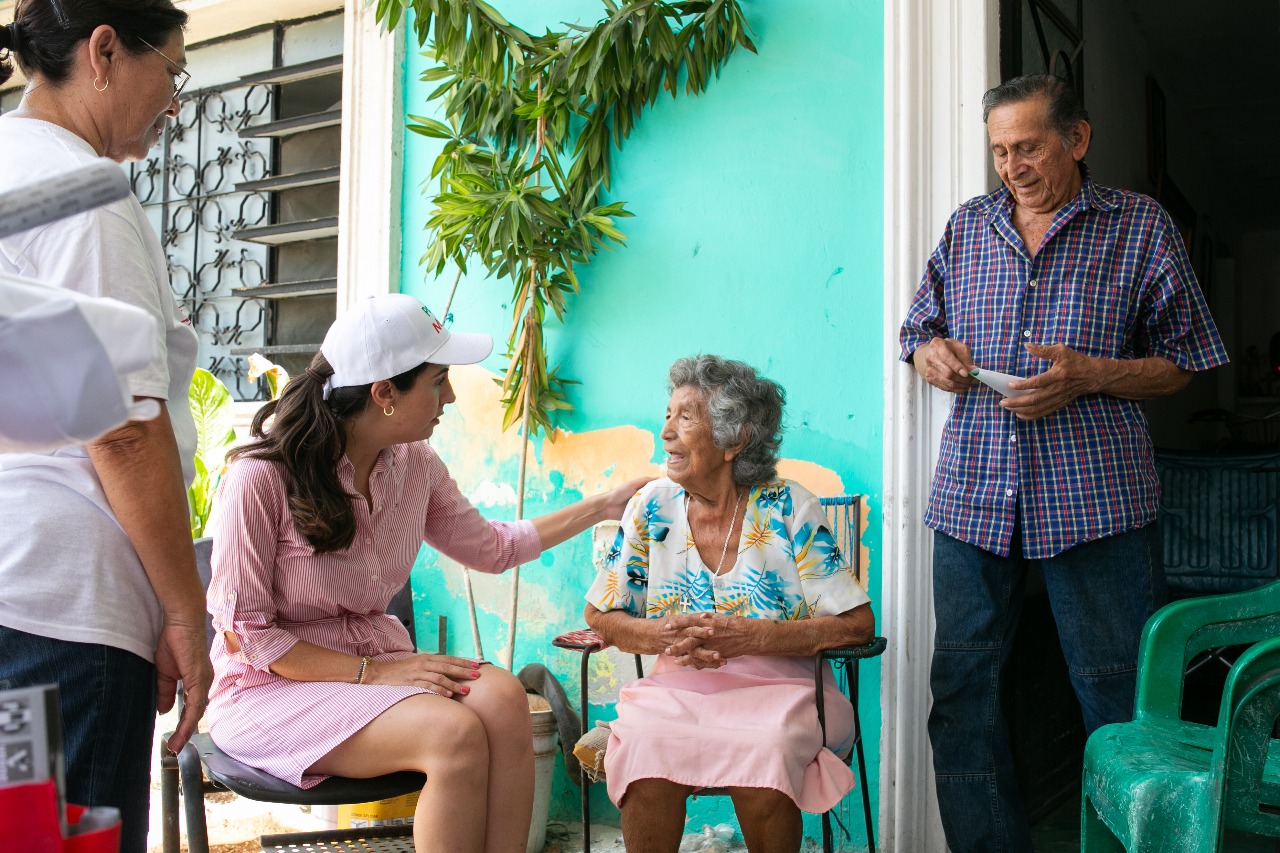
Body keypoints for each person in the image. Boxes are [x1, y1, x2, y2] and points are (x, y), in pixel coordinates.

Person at [899, 74, 1228, 852]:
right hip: (975, 494)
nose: (1012, 165)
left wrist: (1090, 373)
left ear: (1076, 140)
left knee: (1121, 697)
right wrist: (932, 355)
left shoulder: (1139, 226)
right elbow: (917, 329)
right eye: (999, 151)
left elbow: (1186, 360)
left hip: (1098, 501)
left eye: (1028, 147)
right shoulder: (968, 227)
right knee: (963, 695)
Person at [205, 293, 649, 853]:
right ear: (384, 392)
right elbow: (248, 636)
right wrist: (375, 674)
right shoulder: (260, 480)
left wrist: (603, 506)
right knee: (452, 733)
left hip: (380, 662)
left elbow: (491, 548)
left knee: (505, 697)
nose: (452, 395)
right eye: (438, 380)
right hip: (272, 689)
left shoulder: (415, 468)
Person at [0, 2, 210, 850]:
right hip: (70, 624)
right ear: (105, 52)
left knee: (27, 832)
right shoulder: (82, 192)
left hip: (22, 600)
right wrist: (185, 615)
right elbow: (120, 425)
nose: (173, 101)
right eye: (172, 72)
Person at [583, 355, 875, 853]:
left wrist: (755, 636)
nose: (665, 431)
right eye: (668, 414)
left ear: (734, 440)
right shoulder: (652, 506)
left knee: (766, 748)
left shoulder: (787, 505)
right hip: (677, 686)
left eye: (685, 417)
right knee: (643, 745)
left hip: (783, 689)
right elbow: (600, 614)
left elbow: (857, 625)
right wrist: (660, 635)